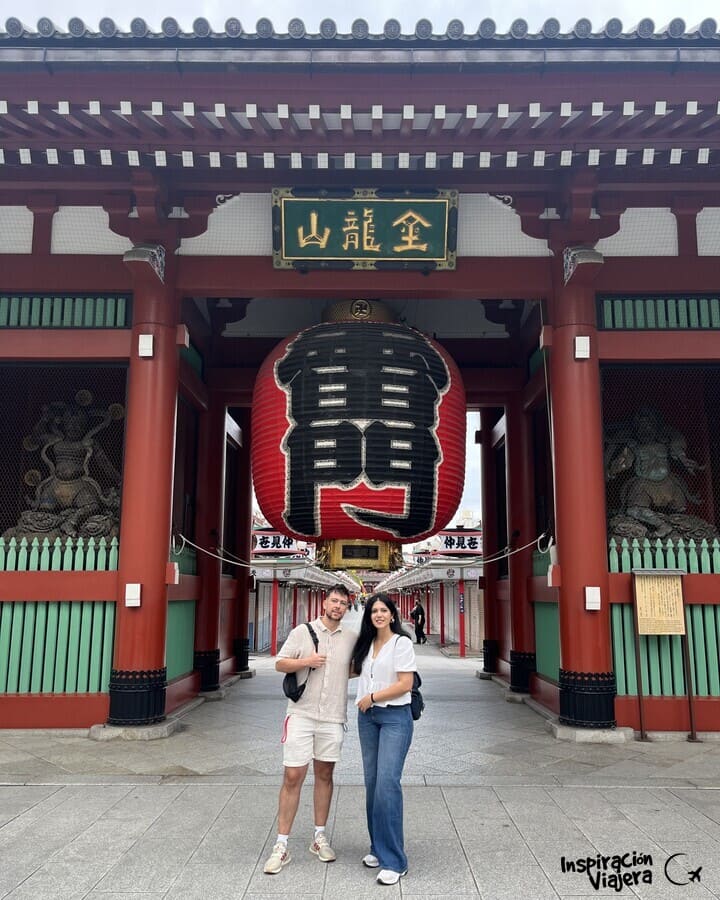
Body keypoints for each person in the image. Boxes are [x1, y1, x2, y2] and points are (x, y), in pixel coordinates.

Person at [264, 583, 357, 875]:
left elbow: (358, 667)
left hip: (332, 716)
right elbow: (280, 663)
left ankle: (319, 837)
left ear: (347, 607)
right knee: (293, 775)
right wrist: (307, 661)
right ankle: (281, 844)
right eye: (334, 601)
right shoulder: (302, 632)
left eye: (343, 602)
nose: (338, 606)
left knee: (325, 774)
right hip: (301, 714)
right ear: (324, 603)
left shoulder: (351, 637)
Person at [352, 593, 417, 886]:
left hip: (394, 716)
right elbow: (350, 670)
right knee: (372, 783)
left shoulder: (401, 643)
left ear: (393, 614)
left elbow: (406, 683)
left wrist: (372, 697)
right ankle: (377, 847)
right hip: (367, 719)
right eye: (373, 610)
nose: (378, 614)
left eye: (383, 610)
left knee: (388, 784)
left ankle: (395, 860)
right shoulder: (365, 645)